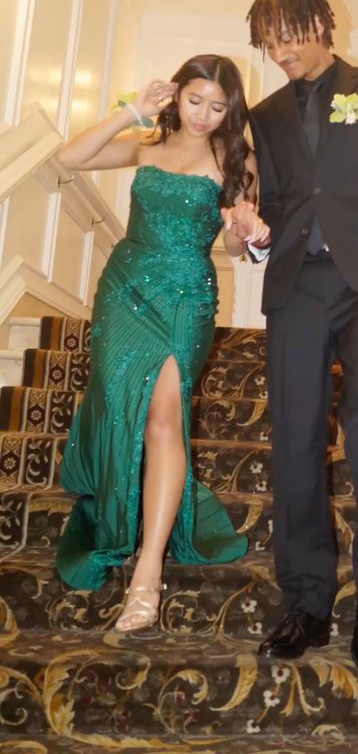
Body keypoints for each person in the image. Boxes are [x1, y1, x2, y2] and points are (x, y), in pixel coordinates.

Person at [223, 0, 358, 673]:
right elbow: (274, 206)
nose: (279, 52)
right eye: (268, 43)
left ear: (320, 23)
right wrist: (252, 238)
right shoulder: (265, 115)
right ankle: (308, 602)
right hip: (298, 284)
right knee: (295, 433)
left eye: (288, 36)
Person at [55, 54, 269, 631]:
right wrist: (132, 110)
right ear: (176, 95)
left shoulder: (238, 160)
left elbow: (235, 247)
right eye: (194, 100)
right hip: (124, 289)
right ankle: (122, 511)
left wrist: (246, 230)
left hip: (185, 299)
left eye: (217, 107)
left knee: (164, 418)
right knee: (121, 408)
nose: (203, 115)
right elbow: (69, 157)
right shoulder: (147, 143)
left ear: (231, 111)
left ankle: (148, 570)